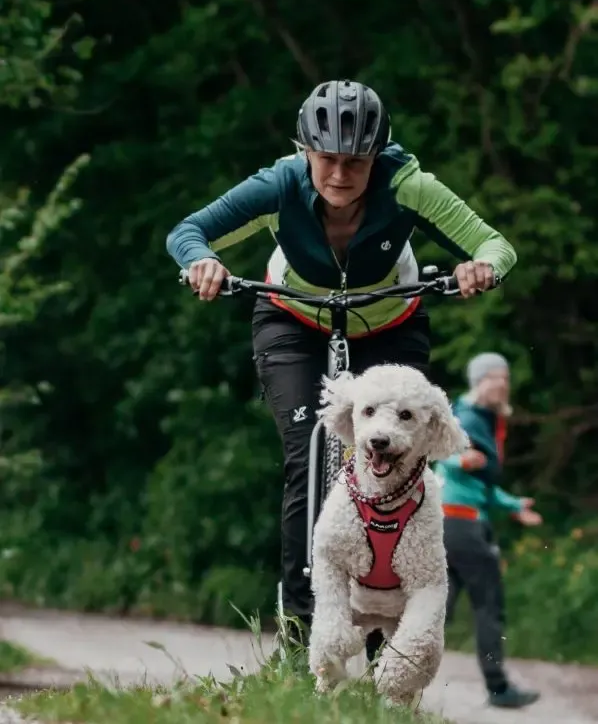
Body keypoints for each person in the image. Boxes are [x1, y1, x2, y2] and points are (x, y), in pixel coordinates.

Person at [166, 80, 518, 662]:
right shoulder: (280, 183)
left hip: (390, 326)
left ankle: (389, 641)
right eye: (326, 158)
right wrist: (201, 262)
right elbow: (187, 232)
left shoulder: (408, 186)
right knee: (310, 450)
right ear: (304, 151)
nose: (339, 173)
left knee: (399, 463)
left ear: (377, 156)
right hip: (294, 323)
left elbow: (494, 243)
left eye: (355, 161)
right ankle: (301, 634)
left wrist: (480, 268)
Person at [435, 352, 542, 708]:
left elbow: (482, 485)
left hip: (452, 523)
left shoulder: (484, 419)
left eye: (505, 378)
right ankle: (497, 687)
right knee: (488, 605)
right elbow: (444, 455)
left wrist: (514, 506)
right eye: (494, 377)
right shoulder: (466, 417)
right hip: (462, 523)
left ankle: (383, 670)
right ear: (478, 381)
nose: (502, 383)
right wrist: (461, 459)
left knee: (437, 608)